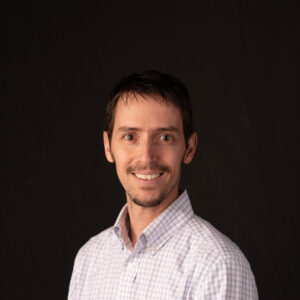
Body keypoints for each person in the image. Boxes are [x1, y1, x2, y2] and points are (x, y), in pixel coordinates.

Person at [68, 71, 258, 299]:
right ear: (108, 147)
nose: (146, 157)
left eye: (165, 138)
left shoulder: (218, 264)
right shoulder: (89, 259)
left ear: (189, 148)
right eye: (130, 137)